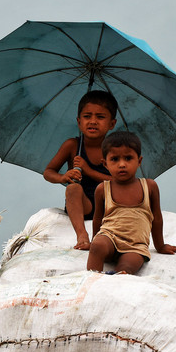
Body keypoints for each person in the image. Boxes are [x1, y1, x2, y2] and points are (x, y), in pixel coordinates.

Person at [86, 130, 176, 274]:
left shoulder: (149, 186)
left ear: (139, 161)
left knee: (127, 267)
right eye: (115, 159)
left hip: (135, 246)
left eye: (128, 158)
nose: (122, 164)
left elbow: (157, 219)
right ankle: (91, 279)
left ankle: (117, 277)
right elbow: (97, 218)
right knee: (98, 246)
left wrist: (160, 246)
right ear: (105, 164)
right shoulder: (103, 189)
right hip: (109, 237)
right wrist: (94, 242)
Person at [43, 90, 119, 250]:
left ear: (112, 124)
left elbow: (120, 181)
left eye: (100, 117)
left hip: (108, 205)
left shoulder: (115, 150)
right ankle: (82, 236)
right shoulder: (72, 146)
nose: (93, 121)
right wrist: (63, 177)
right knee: (73, 189)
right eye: (87, 116)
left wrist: (88, 171)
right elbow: (48, 172)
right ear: (79, 122)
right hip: (83, 205)